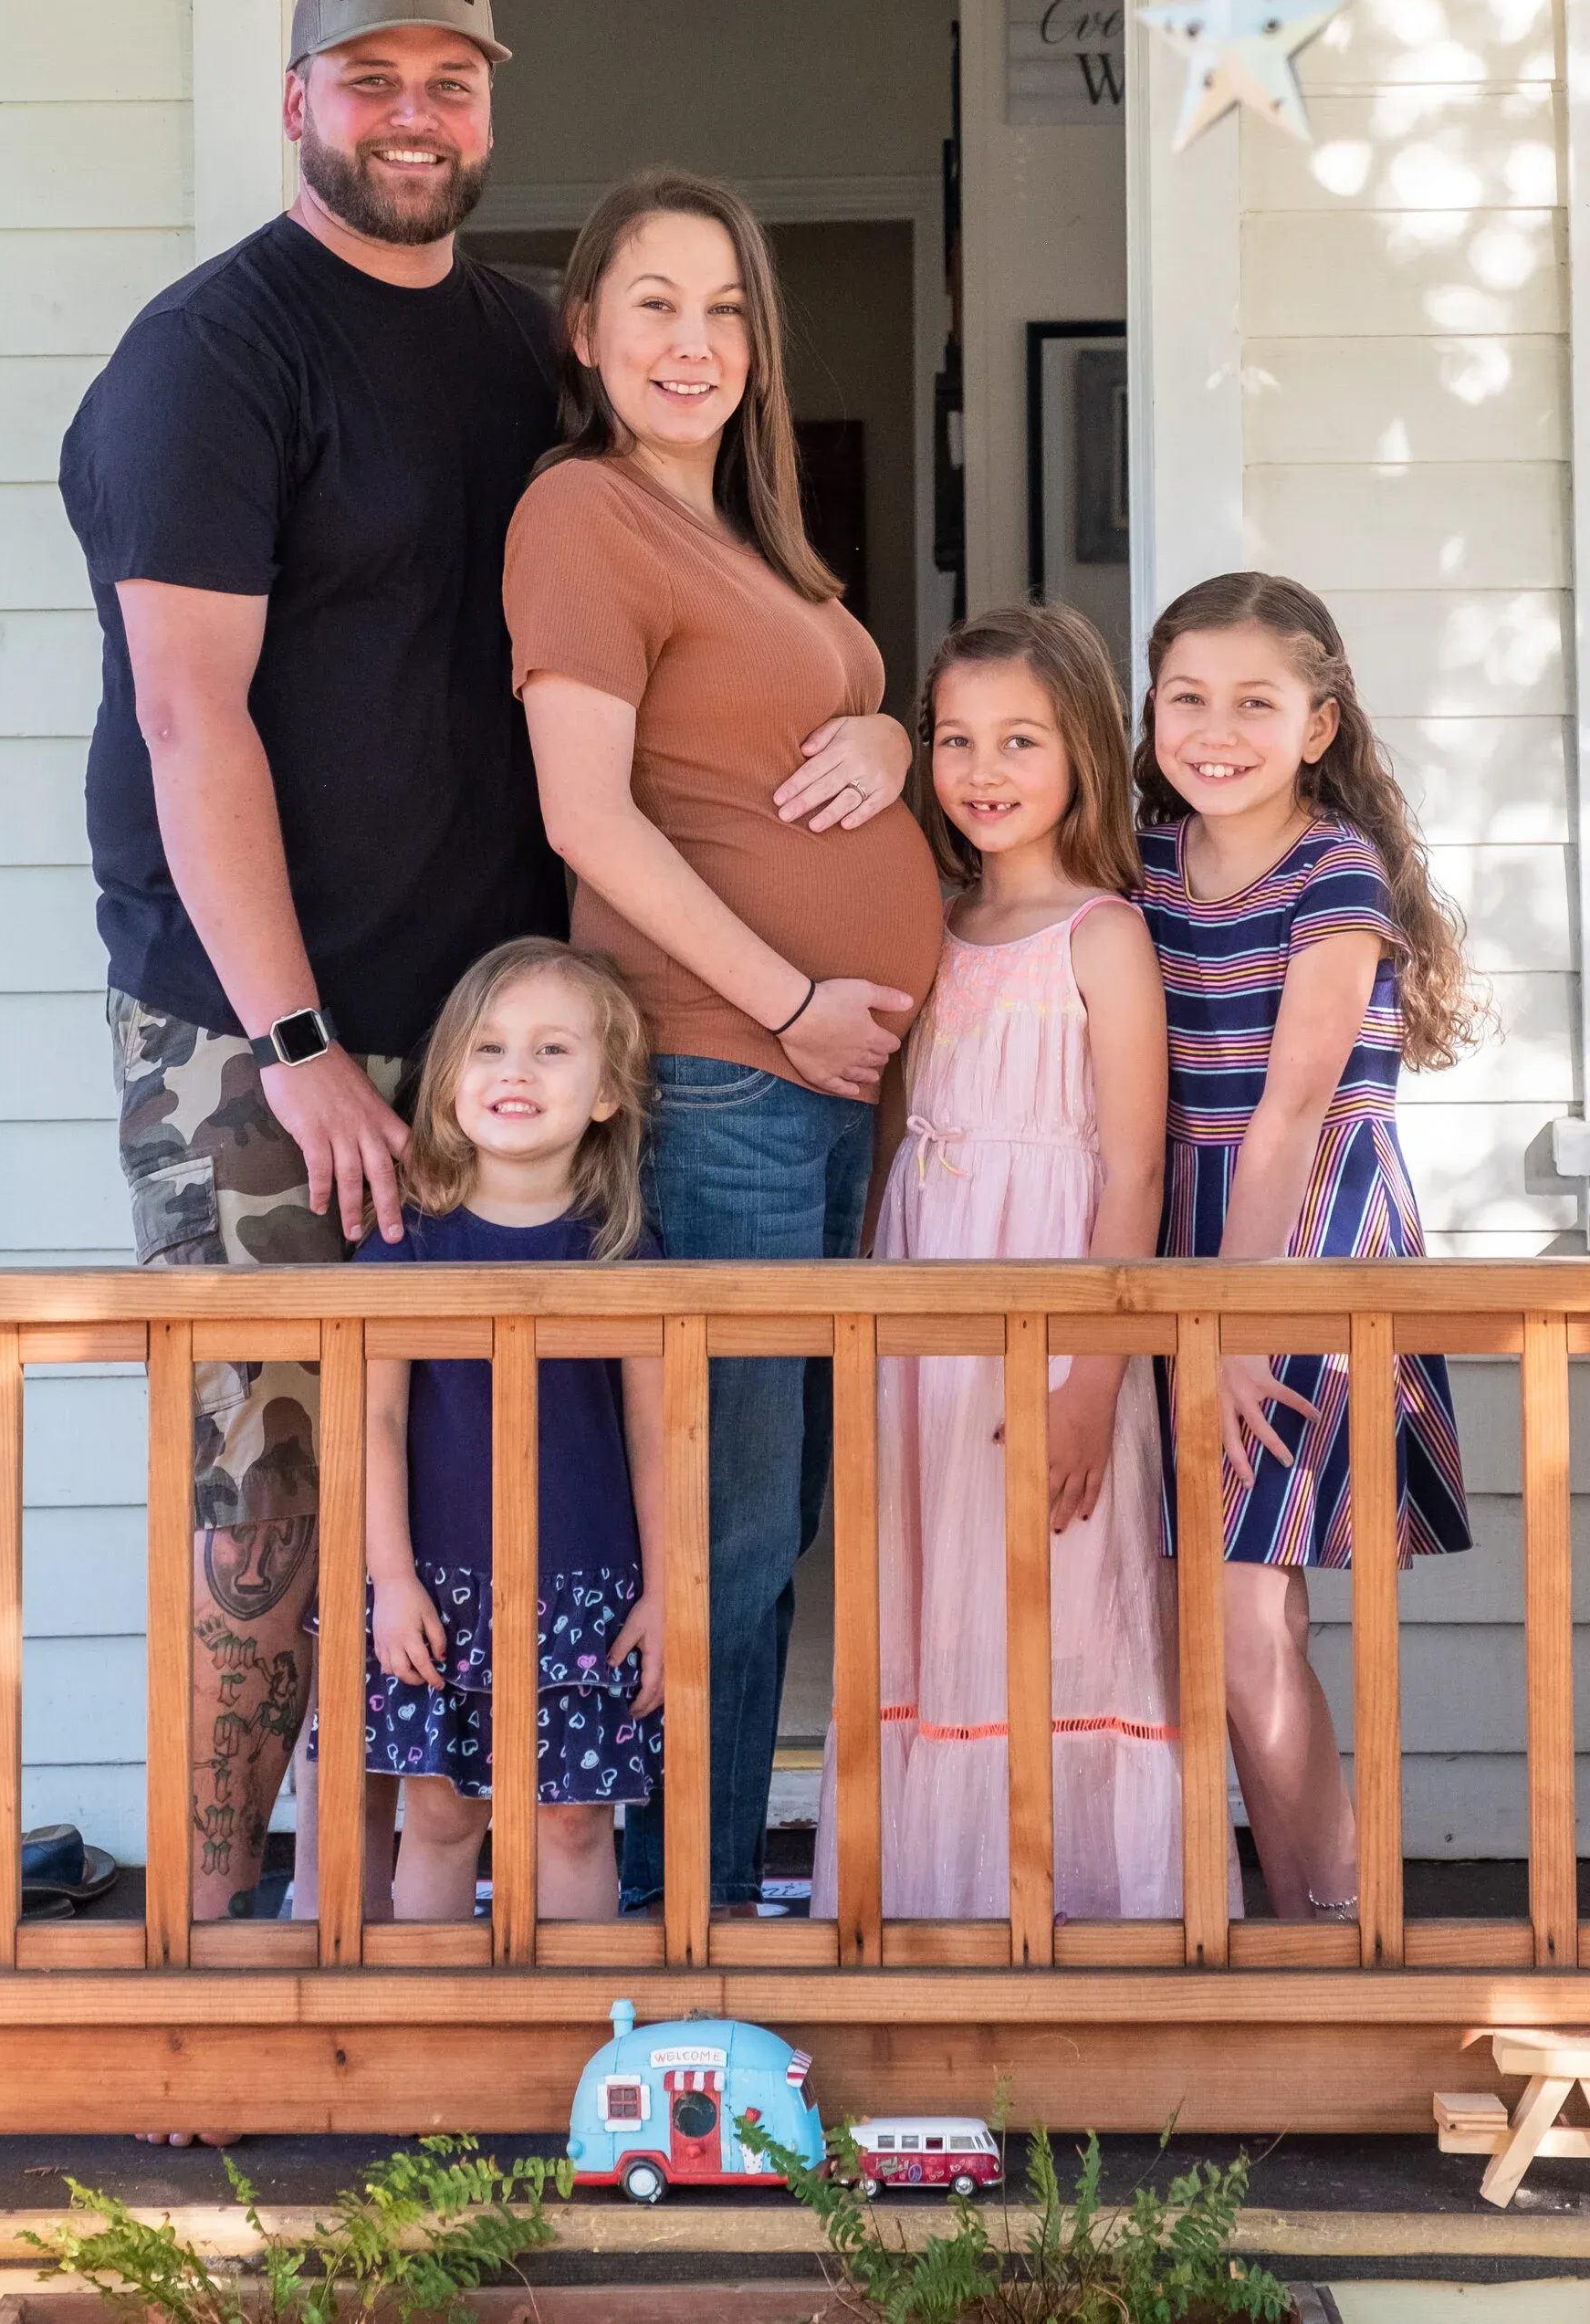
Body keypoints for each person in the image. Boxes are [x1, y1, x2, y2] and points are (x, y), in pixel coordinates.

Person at [59, 0, 565, 1935]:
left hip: (490, 1030)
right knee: (266, 1485)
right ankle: (203, 1944)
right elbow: (188, 726)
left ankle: (426, 1918)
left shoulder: (532, 350)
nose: (413, 114)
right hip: (249, 1031)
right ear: (298, 107)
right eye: (371, 81)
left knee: (475, 1477)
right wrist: (297, 1046)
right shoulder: (215, 352)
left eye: (449, 80)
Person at [503, 170, 945, 1915]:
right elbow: (589, 822)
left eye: (728, 311)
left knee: (776, 1518)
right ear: (588, 331)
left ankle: (713, 1890)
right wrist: (788, 1002)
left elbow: (813, 719)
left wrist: (895, 735)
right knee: (730, 1527)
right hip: (721, 1072)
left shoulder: (761, 544)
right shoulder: (581, 516)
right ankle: (688, 1921)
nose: (695, 343)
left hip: (824, 1087)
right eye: (657, 304)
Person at [811, 602, 1195, 1925]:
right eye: (956, 738)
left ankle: (1069, 1897)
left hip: (1052, 1310)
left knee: (1054, 1590)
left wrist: (1093, 1380)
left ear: (1083, 749)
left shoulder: (1103, 933)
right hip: (925, 1306)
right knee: (930, 1582)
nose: (982, 769)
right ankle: (928, 1894)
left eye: (1019, 739)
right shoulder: (927, 918)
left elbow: (1134, 1171)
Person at [1135, 569, 1478, 1923]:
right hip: (1178, 1228)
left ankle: (1332, 1924)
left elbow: (1284, 1114)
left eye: (1256, 703)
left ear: (1319, 725)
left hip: (1299, 1233)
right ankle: (1298, 1908)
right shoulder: (1144, 865)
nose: (1216, 728)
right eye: (1187, 698)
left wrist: (1227, 1323)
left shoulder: (1335, 870)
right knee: (1224, 1605)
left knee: (1243, 1606)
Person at [357, 938, 664, 1924]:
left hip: (585, 1589)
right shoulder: (408, 1241)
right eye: (487, 1049)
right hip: (439, 1585)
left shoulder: (622, 1251)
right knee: (442, 1816)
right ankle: (429, 2046)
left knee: (575, 1823)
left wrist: (667, 1590)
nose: (515, 1073)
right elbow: (374, 1415)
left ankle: (588, 2051)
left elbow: (662, 1435)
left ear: (609, 1092)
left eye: (551, 1051)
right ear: (449, 1081)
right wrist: (390, 1578)